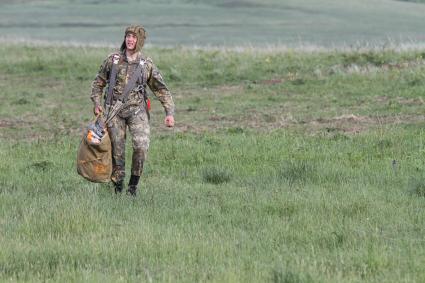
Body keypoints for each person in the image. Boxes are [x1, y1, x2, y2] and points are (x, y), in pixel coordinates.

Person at [90, 25, 175, 196]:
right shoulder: (112, 60)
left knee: (141, 147)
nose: (130, 40)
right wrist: (97, 103)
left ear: (140, 41)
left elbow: (161, 89)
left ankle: (133, 187)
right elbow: (98, 83)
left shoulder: (146, 64)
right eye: (128, 36)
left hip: (138, 111)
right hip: (114, 112)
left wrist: (169, 113)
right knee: (117, 151)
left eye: (134, 37)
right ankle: (117, 186)